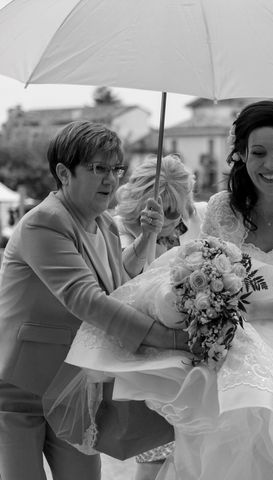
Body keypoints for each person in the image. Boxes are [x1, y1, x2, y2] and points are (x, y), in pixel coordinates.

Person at [64, 101, 273, 480]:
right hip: (235, 332)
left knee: (271, 409)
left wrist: (248, 311)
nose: (271, 165)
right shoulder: (222, 207)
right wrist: (208, 302)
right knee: (224, 423)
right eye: (258, 153)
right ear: (240, 154)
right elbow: (204, 264)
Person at [0, 121, 190, 480]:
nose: (110, 180)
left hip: (74, 388)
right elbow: (85, 297)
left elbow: (121, 291)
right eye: (97, 169)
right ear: (63, 172)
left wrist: (148, 236)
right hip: (19, 390)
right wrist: (166, 339)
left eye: (115, 169)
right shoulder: (43, 222)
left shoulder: (106, 225)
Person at [112, 154, 204, 480]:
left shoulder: (198, 218)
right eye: (161, 209)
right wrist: (148, 235)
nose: (167, 219)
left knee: (196, 452)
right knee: (153, 454)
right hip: (151, 353)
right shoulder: (120, 227)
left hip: (196, 351)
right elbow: (128, 273)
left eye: (174, 210)